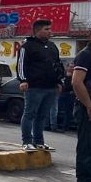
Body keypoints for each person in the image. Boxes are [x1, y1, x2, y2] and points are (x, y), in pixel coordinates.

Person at [17, 19, 64, 152]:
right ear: (38, 31)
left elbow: (57, 65)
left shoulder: (52, 46)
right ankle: (26, 141)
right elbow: (21, 64)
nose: (50, 32)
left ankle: (39, 142)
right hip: (34, 87)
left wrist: (59, 82)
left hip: (51, 87)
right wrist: (23, 80)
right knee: (29, 114)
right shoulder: (27, 45)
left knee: (42, 116)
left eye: (50, 29)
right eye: (47, 29)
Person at [71, 27, 91, 182]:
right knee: (87, 147)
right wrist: (89, 105)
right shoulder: (86, 55)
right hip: (88, 107)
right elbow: (77, 82)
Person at [56, 63, 75, 133]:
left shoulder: (74, 75)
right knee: (58, 109)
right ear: (67, 67)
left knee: (68, 111)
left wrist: (73, 91)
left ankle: (65, 127)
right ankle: (56, 125)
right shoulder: (63, 74)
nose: (71, 68)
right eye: (70, 67)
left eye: (73, 67)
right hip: (61, 93)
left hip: (70, 94)